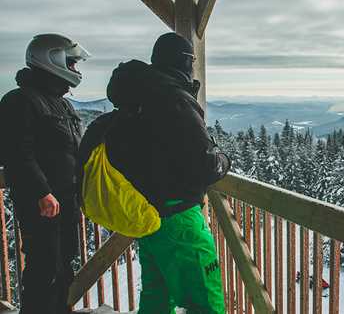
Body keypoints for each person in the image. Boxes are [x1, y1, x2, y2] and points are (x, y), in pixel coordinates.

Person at [79, 32, 230, 314]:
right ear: (185, 62)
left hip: (150, 218)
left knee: (157, 296)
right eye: (191, 60)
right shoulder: (174, 100)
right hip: (180, 217)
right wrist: (223, 160)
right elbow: (205, 165)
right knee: (204, 300)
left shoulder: (137, 101)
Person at [0, 34, 90, 314]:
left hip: (66, 201)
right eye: (71, 64)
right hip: (42, 206)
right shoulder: (20, 101)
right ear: (52, 61)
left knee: (64, 268)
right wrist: (42, 192)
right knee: (44, 272)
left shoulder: (61, 103)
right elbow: (17, 154)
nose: (76, 70)